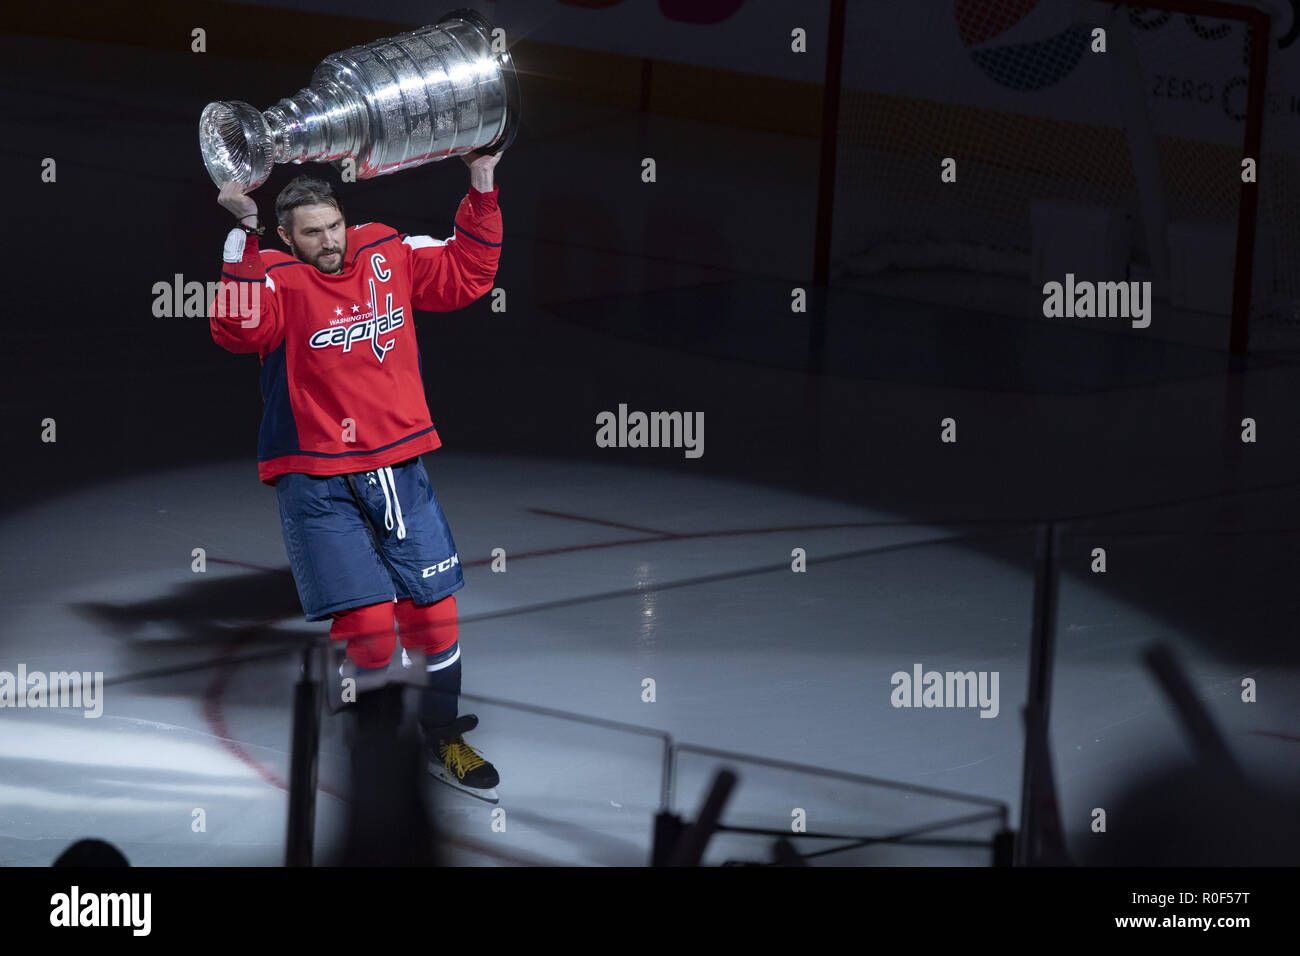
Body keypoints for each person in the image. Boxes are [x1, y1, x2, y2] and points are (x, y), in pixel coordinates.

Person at [208, 150, 503, 802]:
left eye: (335, 225)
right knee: (370, 632)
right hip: (316, 480)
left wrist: (481, 184)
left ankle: (441, 732)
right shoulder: (274, 275)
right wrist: (242, 236)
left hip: (397, 466)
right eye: (313, 232)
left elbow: (467, 273)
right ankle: (376, 741)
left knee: (438, 621)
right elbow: (237, 328)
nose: (330, 241)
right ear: (288, 235)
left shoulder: (385, 251)